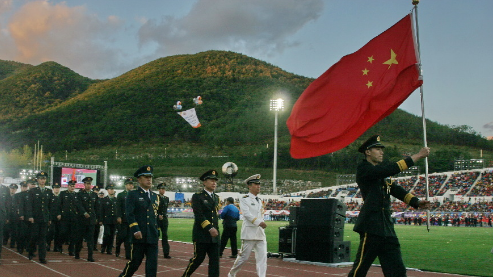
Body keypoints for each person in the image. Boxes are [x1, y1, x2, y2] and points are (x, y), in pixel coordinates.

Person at [347, 135, 431, 277]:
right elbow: (391, 169)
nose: (382, 152)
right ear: (368, 152)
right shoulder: (365, 169)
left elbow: (395, 189)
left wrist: (416, 202)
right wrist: (417, 156)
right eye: (378, 149)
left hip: (386, 227)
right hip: (371, 227)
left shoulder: (381, 175)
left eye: (382, 149)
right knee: (360, 269)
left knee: (396, 269)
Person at [118, 165, 161, 277]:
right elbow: (130, 214)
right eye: (146, 177)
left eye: (150, 177)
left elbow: (154, 216)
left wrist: (157, 230)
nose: (149, 179)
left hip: (152, 235)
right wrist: (135, 229)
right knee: (135, 262)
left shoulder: (155, 196)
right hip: (139, 235)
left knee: (152, 265)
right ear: (139, 179)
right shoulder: (133, 194)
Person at [182, 170, 221, 277]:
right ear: (204, 182)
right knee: (198, 259)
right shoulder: (197, 196)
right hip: (202, 234)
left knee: (215, 262)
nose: (214, 183)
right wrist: (209, 228)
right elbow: (199, 215)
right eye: (211, 180)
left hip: (215, 236)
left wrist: (215, 230)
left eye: (215, 181)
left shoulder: (216, 197)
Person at [228, 174, 267, 277]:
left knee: (262, 258)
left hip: (260, 234)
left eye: (259, 184)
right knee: (243, 258)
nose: (258, 186)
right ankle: (232, 273)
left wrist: (260, 224)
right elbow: (246, 214)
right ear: (249, 186)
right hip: (249, 233)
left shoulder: (259, 200)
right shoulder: (244, 199)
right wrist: (259, 223)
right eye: (256, 184)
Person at [26, 171, 53, 264]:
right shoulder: (33, 191)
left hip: (44, 218)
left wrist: (49, 218)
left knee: (43, 238)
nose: (42, 180)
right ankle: (30, 251)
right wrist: (30, 216)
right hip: (35, 218)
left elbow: (49, 206)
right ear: (38, 180)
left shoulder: (49, 191)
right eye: (41, 179)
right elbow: (29, 205)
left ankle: (42, 257)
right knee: (34, 236)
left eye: (44, 179)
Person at [74, 177, 100, 262]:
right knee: (79, 238)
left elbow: (96, 207)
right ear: (84, 184)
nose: (89, 185)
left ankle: (90, 256)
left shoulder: (94, 195)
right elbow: (78, 205)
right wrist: (84, 213)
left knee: (90, 239)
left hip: (91, 220)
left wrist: (96, 217)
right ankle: (77, 253)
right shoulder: (80, 194)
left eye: (90, 183)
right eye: (87, 184)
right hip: (81, 220)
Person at [116, 177, 135, 259]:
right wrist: (119, 216)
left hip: (131, 219)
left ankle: (128, 255)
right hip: (123, 219)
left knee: (129, 238)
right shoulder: (121, 195)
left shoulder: (134, 195)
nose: (131, 186)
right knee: (122, 236)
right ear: (126, 185)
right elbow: (118, 207)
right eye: (129, 184)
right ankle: (117, 246)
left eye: (132, 184)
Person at [58, 180, 78, 255]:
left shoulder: (76, 195)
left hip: (74, 217)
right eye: (71, 186)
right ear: (68, 186)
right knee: (63, 232)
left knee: (73, 234)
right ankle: (59, 245)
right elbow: (59, 205)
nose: (72, 187)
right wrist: (59, 213)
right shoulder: (63, 194)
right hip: (65, 216)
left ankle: (71, 249)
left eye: (73, 186)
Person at [100, 184, 117, 255]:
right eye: (110, 189)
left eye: (112, 189)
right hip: (107, 220)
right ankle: (104, 246)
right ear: (107, 190)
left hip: (114, 220)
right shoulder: (104, 200)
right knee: (107, 234)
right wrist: (101, 220)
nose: (111, 190)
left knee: (112, 235)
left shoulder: (116, 200)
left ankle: (109, 249)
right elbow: (101, 211)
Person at [156, 182, 171, 258]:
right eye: (162, 189)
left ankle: (166, 252)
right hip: (157, 219)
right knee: (156, 235)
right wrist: (158, 215)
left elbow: (165, 209)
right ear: (158, 190)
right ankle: (153, 251)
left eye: (164, 189)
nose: (163, 190)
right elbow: (154, 208)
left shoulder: (166, 199)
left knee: (165, 235)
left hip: (164, 219)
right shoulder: (155, 197)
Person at [47, 183, 62, 252]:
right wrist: (49, 218)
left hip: (59, 218)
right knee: (51, 232)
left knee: (58, 233)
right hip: (52, 218)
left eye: (58, 188)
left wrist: (60, 214)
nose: (57, 189)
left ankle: (56, 247)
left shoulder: (61, 197)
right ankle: (48, 245)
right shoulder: (50, 196)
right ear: (53, 189)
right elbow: (49, 208)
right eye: (55, 188)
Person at [0, 181, 12, 264]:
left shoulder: (5, 189)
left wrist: (7, 216)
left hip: (1, 215)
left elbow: (8, 204)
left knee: (0, 236)